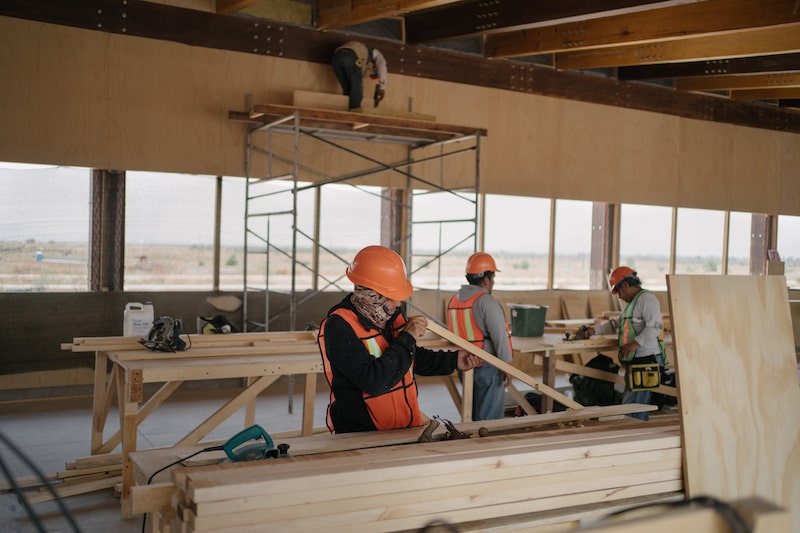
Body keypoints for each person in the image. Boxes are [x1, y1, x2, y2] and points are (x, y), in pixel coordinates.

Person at [317, 245, 483, 433]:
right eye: (391, 296)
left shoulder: (391, 315)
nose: (398, 303)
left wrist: (453, 360)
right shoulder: (339, 326)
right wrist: (407, 337)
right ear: (369, 293)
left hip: (403, 428)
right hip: (361, 435)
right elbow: (374, 382)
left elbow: (409, 359)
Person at [580, 266, 667, 421]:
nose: (619, 296)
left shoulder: (647, 299)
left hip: (647, 359)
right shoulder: (632, 304)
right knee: (632, 401)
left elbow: (654, 327)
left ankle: (634, 435)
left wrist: (635, 343)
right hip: (637, 360)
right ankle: (633, 433)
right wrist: (594, 331)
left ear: (626, 285)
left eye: (618, 291)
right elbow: (615, 324)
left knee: (635, 404)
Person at [446, 252, 513, 421]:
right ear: (485, 280)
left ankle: (472, 444)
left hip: (465, 364)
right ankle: (484, 445)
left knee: (473, 414)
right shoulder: (485, 301)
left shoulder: (455, 300)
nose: (493, 283)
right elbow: (499, 336)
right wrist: (507, 366)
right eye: (493, 278)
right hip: (487, 366)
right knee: (488, 420)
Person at [331, 41, 387, 110]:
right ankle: (354, 113)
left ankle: (346, 112)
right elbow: (382, 68)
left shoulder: (363, 54)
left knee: (348, 90)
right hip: (351, 56)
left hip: (336, 58)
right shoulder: (378, 55)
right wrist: (382, 88)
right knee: (356, 88)